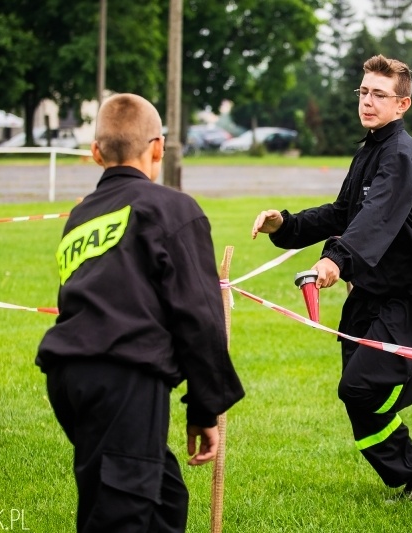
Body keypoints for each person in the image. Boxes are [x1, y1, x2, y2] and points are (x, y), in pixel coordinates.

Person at [251, 55, 412, 499]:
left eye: (379, 95)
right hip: (368, 289)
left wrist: (336, 261)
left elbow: (377, 217)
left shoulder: (402, 155)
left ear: (401, 104)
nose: (368, 102)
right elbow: (342, 212)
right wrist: (286, 226)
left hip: (403, 293)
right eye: (364, 92)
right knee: (356, 394)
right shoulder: (370, 147)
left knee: (362, 386)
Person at [36, 93, 244, 533]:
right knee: (119, 514)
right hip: (122, 376)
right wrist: (206, 409)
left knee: (164, 496)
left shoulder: (80, 217)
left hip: (68, 379)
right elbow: (199, 316)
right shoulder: (172, 208)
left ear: (95, 153)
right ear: (158, 148)